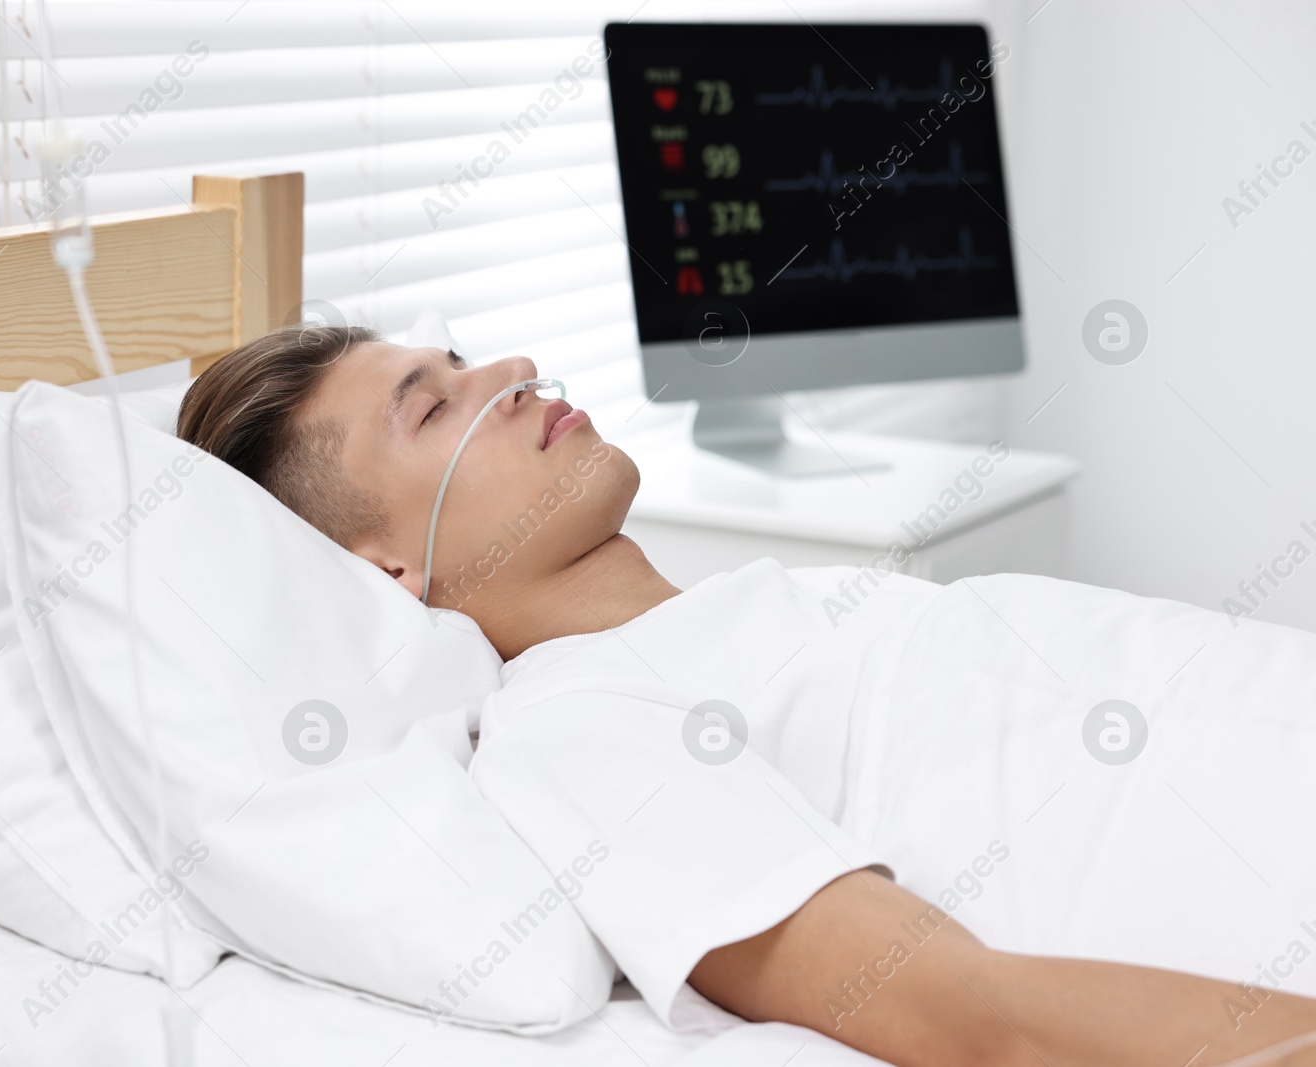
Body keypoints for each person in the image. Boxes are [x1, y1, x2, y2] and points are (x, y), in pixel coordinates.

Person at [177, 323, 1316, 1066]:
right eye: (430, 408)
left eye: (465, 358)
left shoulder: (751, 616)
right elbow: (972, 1017)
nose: (512, 371)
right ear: (386, 573)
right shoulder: (577, 728)